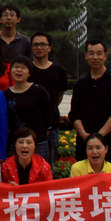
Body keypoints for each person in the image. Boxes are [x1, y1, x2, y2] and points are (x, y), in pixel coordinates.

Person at [69, 39, 111, 164]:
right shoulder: (81, 83)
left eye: (99, 53)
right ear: (86, 56)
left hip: (108, 141)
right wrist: (85, 136)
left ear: (105, 56)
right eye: (91, 53)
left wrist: (99, 136)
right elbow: (74, 114)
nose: (95, 57)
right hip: (84, 142)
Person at [28, 32, 69, 170]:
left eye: (43, 44)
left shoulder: (59, 70)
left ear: (49, 48)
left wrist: (49, 109)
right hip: (29, 124)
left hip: (51, 124)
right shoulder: (27, 69)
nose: (39, 47)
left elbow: (59, 95)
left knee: (48, 166)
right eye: (35, 45)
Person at [4, 56, 52, 160]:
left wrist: (40, 137)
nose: (19, 70)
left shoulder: (39, 91)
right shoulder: (6, 95)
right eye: (16, 67)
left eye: (23, 67)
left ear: (29, 73)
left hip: (38, 143)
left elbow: (48, 117)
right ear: (10, 71)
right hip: (15, 143)